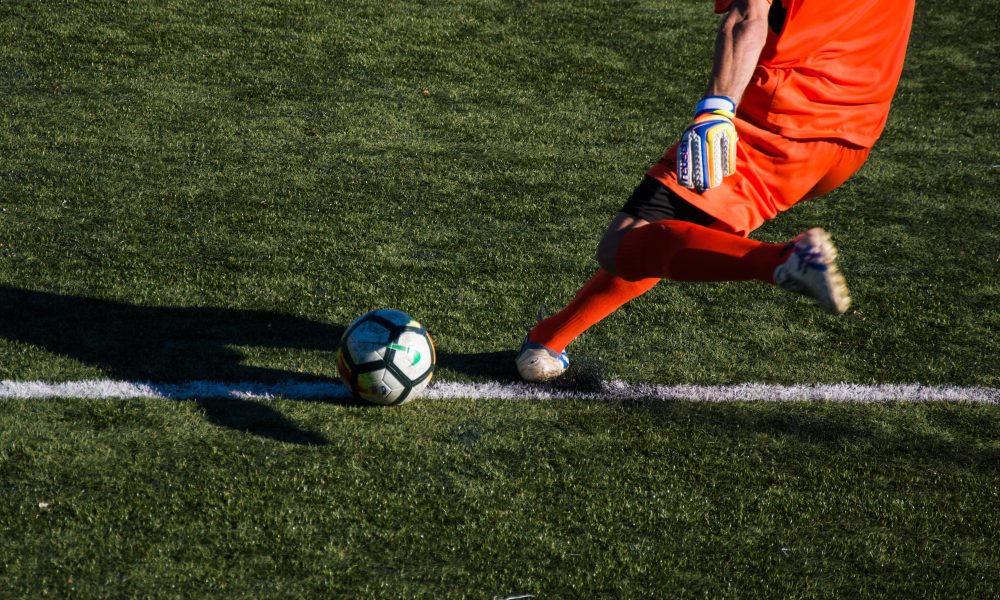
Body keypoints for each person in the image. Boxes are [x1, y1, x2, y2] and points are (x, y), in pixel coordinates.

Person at [516, 0, 917, 382]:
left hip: (778, 123)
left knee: (620, 245)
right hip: (853, 140)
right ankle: (549, 340)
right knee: (671, 227)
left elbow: (747, 17)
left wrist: (717, 108)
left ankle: (780, 261)